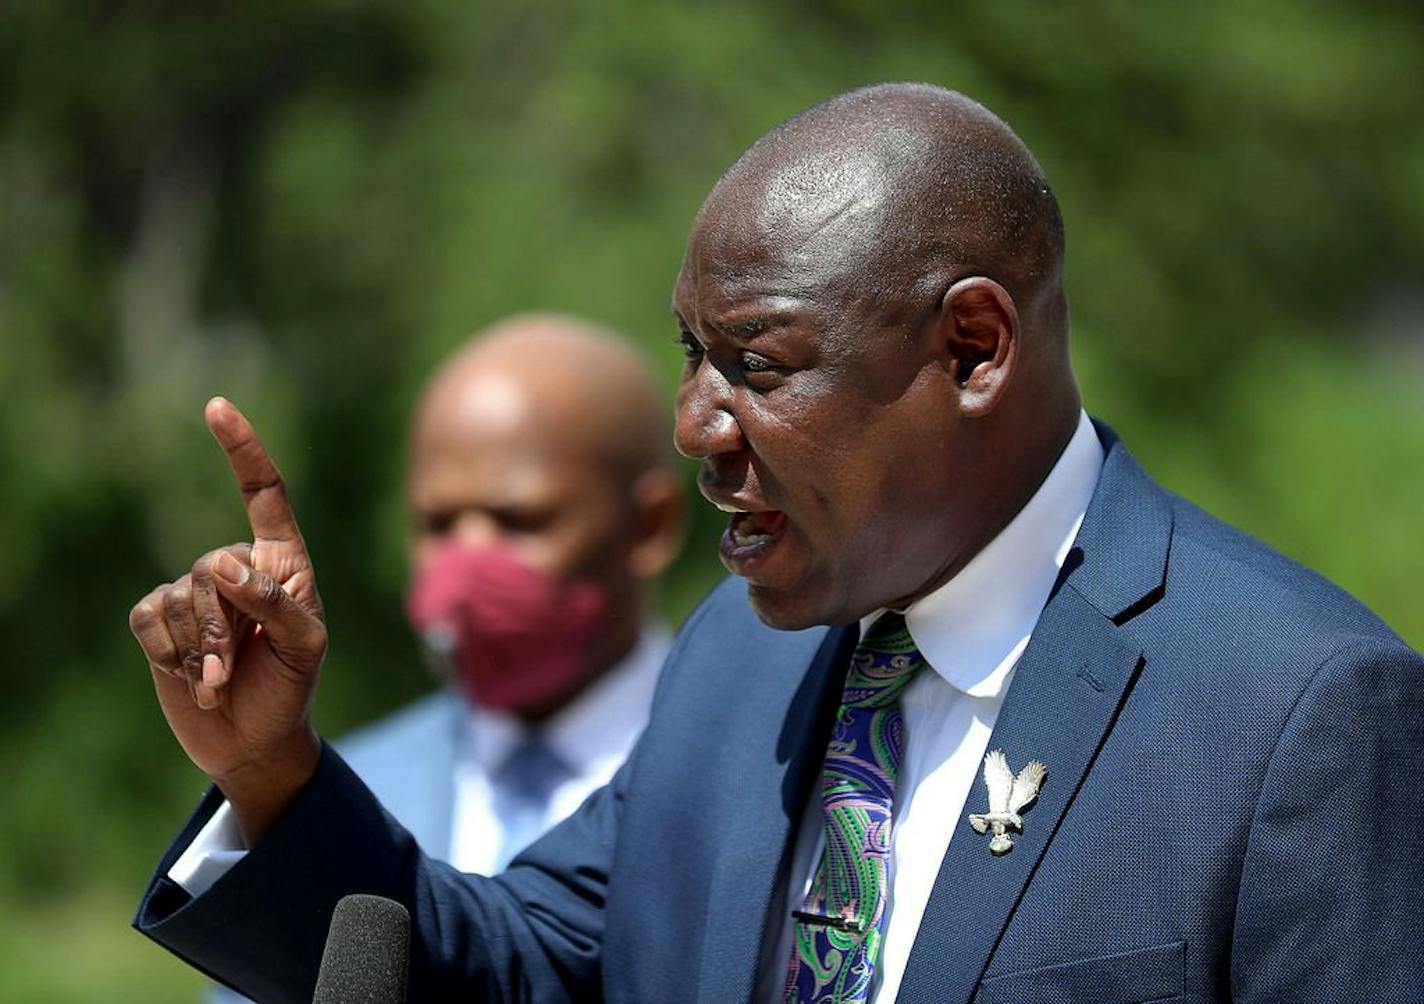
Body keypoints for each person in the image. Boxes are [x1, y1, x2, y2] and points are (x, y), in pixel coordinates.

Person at [130, 84, 1423, 1003]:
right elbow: (513, 967)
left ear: (971, 349)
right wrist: (275, 776)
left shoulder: (1293, 716)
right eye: (693, 357)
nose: (696, 425)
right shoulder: (742, 667)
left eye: (757, 365)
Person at [199, 315, 685, 1003]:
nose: (466, 566)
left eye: (519, 520)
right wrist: (264, 773)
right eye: (437, 525)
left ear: (650, 526)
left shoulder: (759, 779)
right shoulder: (333, 798)